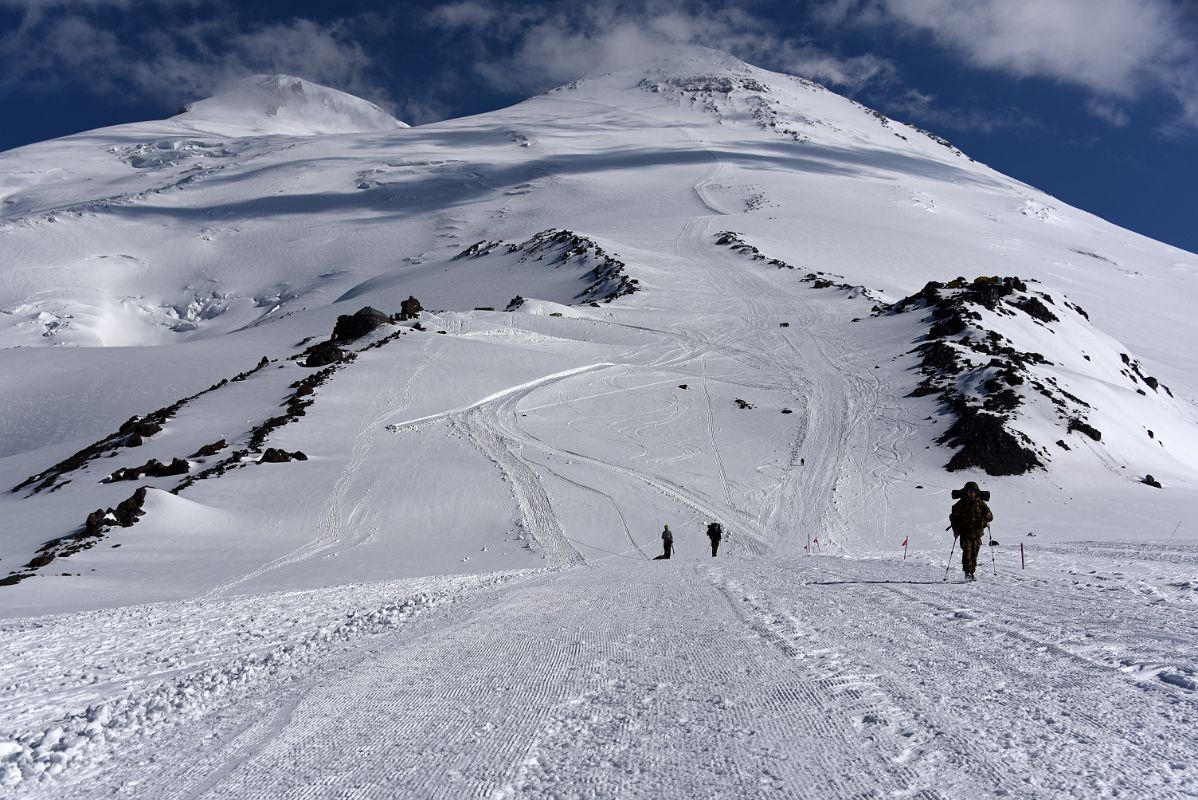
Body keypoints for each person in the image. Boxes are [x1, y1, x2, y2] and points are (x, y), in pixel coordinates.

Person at [949, 481, 993, 581]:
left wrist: (989, 515)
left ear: (976, 492)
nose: (971, 493)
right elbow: (954, 517)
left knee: (974, 554)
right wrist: (956, 530)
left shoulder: (980, 502)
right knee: (967, 552)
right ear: (966, 492)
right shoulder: (961, 504)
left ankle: (972, 572)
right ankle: (967, 572)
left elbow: (989, 514)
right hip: (965, 533)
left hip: (977, 533)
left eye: (973, 491)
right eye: (969, 491)